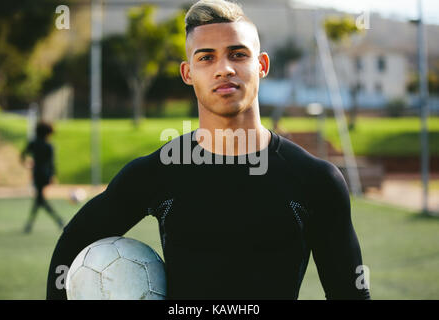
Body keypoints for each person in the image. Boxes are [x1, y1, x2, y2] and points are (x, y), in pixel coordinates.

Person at [46, 0, 370, 300]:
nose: (224, 68)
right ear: (188, 73)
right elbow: (71, 247)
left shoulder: (314, 180)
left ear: (261, 65)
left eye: (238, 54)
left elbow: (351, 295)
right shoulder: (159, 174)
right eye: (206, 57)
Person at [21, 121, 64, 233]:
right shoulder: (49, 146)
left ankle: (30, 224)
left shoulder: (33, 143)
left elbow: (22, 154)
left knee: (39, 199)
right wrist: (53, 175)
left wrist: (26, 163)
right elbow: (51, 163)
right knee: (40, 199)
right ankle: (58, 220)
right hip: (45, 175)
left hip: (36, 175)